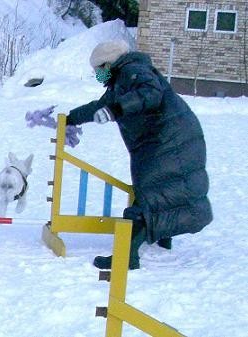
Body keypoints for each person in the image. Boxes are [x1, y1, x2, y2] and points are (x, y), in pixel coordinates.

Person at [66, 40, 213, 270]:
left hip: (169, 140)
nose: (97, 75)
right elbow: (99, 106)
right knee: (163, 190)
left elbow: (150, 92)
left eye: (98, 70)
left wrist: (116, 110)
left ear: (109, 64)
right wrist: (69, 118)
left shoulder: (133, 70)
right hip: (169, 138)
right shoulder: (120, 81)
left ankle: (127, 257)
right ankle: (162, 239)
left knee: (153, 193)